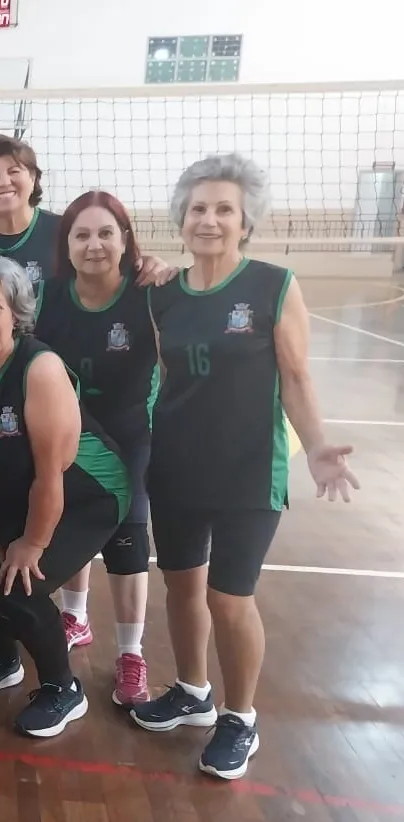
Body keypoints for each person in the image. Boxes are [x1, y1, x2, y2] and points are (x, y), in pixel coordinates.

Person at [131, 153, 359, 780]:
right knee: (181, 587)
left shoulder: (273, 286)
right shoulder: (162, 297)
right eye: (198, 208)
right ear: (181, 218)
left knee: (229, 599)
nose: (209, 219)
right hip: (176, 466)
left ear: (245, 221)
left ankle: (240, 718)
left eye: (223, 209)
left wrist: (314, 446)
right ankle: (192, 691)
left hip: (248, 474)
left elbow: (296, 375)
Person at [0, 254, 131, 737]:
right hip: (11, 483)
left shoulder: (39, 369)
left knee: (17, 581)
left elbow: (51, 474)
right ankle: (2, 659)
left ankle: (63, 687)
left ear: (15, 313)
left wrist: (31, 544)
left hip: (87, 493)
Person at [33, 190, 159, 706]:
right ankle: (75, 616)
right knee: (69, 516)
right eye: (81, 234)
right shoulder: (50, 297)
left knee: (129, 536)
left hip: (128, 431)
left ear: (125, 240)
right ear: (67, 244)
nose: (94, 244)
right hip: (74, 430)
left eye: (106, 233)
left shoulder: (147, 292)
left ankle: (131, 653)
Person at [0, 135, 174, 295]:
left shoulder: (66, 231)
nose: (4, 182)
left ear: (33, 178)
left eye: (14, 171)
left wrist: (150, 265)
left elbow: (117, 269)